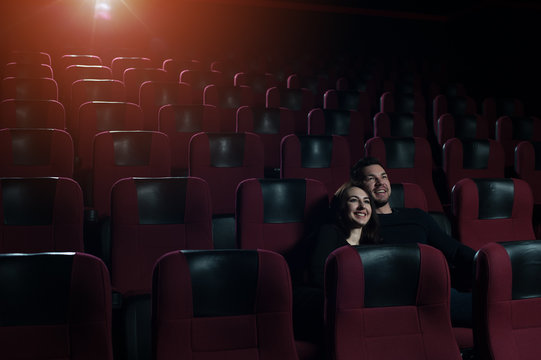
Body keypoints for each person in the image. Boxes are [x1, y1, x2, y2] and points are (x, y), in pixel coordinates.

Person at [350, 156, 475, 327]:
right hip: (390, 298)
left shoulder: (416, 216)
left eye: (384, 176)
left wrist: (488, 263)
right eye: (371, 179)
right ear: (358, 187)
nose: (380, 183)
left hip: (431, 291)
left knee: (497, 303)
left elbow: (456, 251)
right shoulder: (359, 222)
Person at [308, 181, 380, 288]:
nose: (362, 206)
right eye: (354, 200)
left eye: (366, 201)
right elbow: (318, 276)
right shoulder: (328, 233)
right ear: (341, 207)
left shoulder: (373, 242)